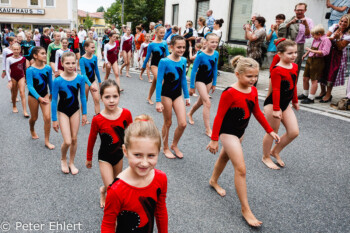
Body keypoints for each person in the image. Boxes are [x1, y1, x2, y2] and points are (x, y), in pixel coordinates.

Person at [207, 56, 280, 227]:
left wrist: (269, 130)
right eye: (249, 76)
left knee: (225, 157)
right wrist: (214, 140)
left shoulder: (253, 91)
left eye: (256, 76)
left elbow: (257, 112)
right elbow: (219, 117)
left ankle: (213, 181)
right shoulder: (229, 93)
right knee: (241, 169)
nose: (253, 80)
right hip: (228, 133)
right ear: (237, 74)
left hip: (240, 132)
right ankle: (245, 209)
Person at [101, 114, 168, 233]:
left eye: (151, 155)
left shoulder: (161, 179)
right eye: (137, 155)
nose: (144, 163)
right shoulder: (116, 190)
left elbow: (160, 210)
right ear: (125, 151)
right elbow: (108, 224)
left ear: (159, 152)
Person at [86, 79, 132, 209]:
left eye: (115, 96)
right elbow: (92, 139)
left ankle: (103, 189)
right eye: (107, 97)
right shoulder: (97, 119)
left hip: (119, 156)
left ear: (119, 96)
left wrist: (134, 152)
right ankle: (113, 220)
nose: (111, 100)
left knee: (115, 185)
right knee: (113, 190)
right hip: (104, 158)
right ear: (101, 98)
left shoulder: (126, 114)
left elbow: (131, 135)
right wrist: (89, 158)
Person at [51, 52, 93, 175]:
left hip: (75, 110)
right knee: (68, 141)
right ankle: (63, 159)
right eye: (67, 63)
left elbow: (83, 97)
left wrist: (84, 114)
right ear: (62, 64)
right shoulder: (57, 80)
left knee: (74, 139)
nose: (70, 65)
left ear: (76, 63)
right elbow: (54, 100)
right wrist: (54, 119)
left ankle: (71, 162)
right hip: (63, 111)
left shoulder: (80, 78)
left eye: (73, 63)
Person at [262, 39, 299, 170]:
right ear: (280, 54)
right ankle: (265, 156)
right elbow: (276, 90)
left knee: (294, 132)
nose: (294, 55)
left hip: (285, 104)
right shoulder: (277, 70)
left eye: (295, 52)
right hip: (273, 104)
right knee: (272, 132)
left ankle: (275, 151)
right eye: (290, 53)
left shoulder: (294, 66)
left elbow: (294, 84)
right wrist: (276, 109)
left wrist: (295, 100)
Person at [155, 36, 190, 159]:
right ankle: (165, 147)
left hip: (177, 95)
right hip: (166, 95)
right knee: (168, 122)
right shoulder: (164, 61)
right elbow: (159, 82)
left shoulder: (184, 60)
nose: (181, 49)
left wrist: (187, 96)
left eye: (183, 47)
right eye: (178, 47)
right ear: (172, 47)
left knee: (183, 123)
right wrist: (158, 101)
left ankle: (174, 145)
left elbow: (183, 80)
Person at [187, 33, 219, 137]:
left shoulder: (216, 54)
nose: (214, 44)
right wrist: (192, 86)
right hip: (200, 80)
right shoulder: (200, 55)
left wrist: (214, 83)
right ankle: (208, 129)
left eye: (216, 42)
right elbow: (193, 71)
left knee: (201, 102)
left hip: (209, 81)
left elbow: (215, 68)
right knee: (207, 103)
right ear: (206, 42)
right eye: (212, 42)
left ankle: (190, 113)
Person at [26, 46, 55, 149]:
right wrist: (38, 98)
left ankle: (47, 141)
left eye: (45, 53)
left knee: (47, 118)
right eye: (42, 53)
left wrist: (52, 93)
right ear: (35, 56)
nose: (44, 55)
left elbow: (50, 82)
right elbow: (30, 86)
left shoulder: (47, 68)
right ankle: (32, 129)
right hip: (33, 96)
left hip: (45, 95)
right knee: (34, 118)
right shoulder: (30, 70)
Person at [319, 14, 350, 102]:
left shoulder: (348, 34)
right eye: (342, 21)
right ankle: (322, 92)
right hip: (327, 51)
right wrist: (332, 37)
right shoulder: (335, 27)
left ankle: (328, 95)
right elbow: (325, 37)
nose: (343, 23)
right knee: (322, 70)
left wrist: (337, 39)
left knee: (331, 73)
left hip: (337, 55)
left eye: (345, 22)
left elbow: (340, 47)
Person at [278, 3, 314, 78]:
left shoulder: (309, 21)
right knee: (284, 64)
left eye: (302, 10)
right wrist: (290, 23)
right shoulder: (290, 19)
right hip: (288, 45)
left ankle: (293, 85)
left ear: (305, 10)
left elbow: (308, 36)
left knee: (295, 66)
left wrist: (306, 25)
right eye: (298, 10)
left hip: (299, 46)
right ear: (295, 10)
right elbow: (280, 31)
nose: (299, 12)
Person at [298, 25, 331, 104]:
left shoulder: (326, 40)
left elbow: (325, 52)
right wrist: (306, 54)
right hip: (310, 60)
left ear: (319, 34)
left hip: (318, 61)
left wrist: (311, 51)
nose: (313, 37)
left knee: (314, 80)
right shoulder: (316, 39)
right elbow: (312, 48)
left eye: (314, 35)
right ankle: (305, 94)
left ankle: (311, 98)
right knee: (305, 78)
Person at [140, 26, 170, 105]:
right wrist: (143, 67)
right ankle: (159, 100)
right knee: (161, 80)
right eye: (161, 33)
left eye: (164, 33)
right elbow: (147, 57)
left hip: (163, 66)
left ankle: (149, 97)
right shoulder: (151, 44)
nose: (163, 34)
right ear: (156, 33)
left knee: (154, 82)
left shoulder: (164, 43)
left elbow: (167, 54)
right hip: (154, 66)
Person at [5, 43, 29, 117]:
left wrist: (26, 78)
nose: (16, 51)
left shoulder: (23, 58)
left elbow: (24, 69)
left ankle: (25, 111)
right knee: (14, 93)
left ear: (20, 50)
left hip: (21, 77)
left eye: (17, 49)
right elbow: (7, 70)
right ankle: (14, 106)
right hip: (13, 77)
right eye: (14, 49)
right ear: (12, 50)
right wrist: (9, 81)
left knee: (22, 93)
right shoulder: (9, 59)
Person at [80, 40, 102, 115]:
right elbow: (83, 74)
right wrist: (90, 85)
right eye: (92, 47)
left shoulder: (94, 57)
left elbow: (96, 70)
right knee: (85, 100)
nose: (94, 49)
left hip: (93, 81)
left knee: (97, 99)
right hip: (85, 82)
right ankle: (84, 117)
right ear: (86, 48)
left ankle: (98, 118)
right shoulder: (82, 59)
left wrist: (99, 81)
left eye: (94, 47)